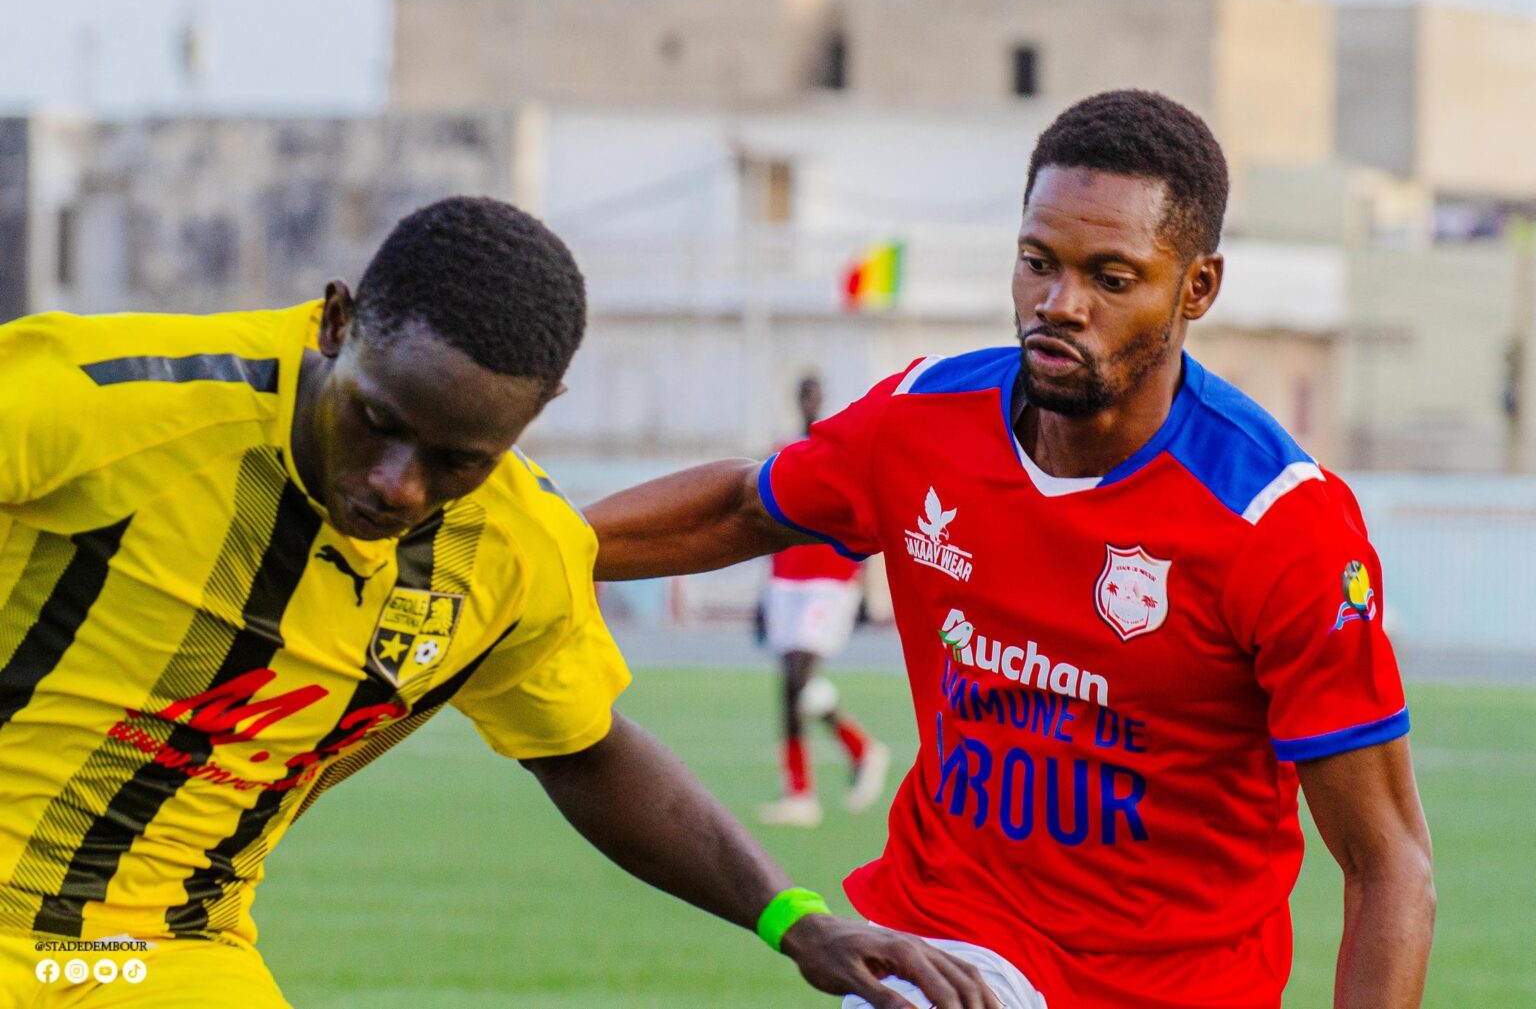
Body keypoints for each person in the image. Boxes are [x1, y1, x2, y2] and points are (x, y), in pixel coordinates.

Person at [0, 196, 1001, 1009]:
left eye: (456, 461)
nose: (397, 485)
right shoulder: (107, 400)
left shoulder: (514, 553)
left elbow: (586, 749)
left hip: (166, 950)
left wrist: (794, 920)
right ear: (337, 324)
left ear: (533, 418)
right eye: (378, 420)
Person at [586, 91, 1436, 1009]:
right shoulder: (920, 422)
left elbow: (1388, 862)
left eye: (1111, 278)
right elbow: (745, 505)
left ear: (1197, 288)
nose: (1058, 305)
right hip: (949, 946)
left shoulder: (1278, 521)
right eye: (1038, 262)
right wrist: (542, 545)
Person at [759, 374, 890, 828]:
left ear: (822, 398)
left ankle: (858, 750)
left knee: (799, 675)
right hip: (786, 580)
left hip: (828, 578)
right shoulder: (782, 450)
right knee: (789, 685)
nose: (809, 401)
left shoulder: (839, 447)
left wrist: (864, 591)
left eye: (814, 394)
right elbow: (767, 518)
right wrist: (762, 594)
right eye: (803, 394)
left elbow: (864, 514)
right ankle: (802, 792)